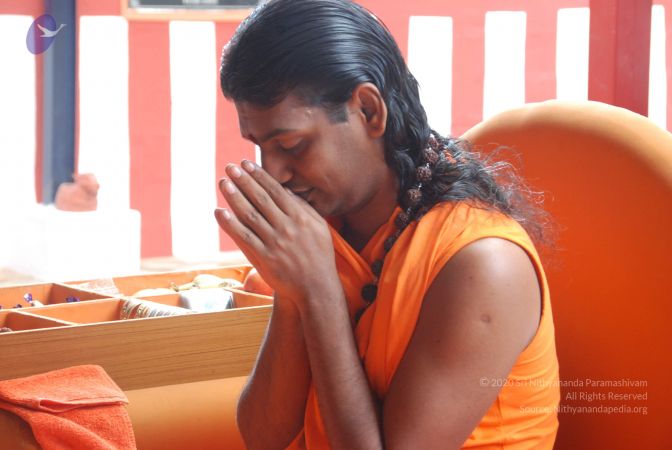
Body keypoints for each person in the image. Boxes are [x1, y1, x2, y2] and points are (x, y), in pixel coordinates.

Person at [215, 0, 560, 448]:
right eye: (260, 146)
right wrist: (292, 288)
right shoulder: (326, 223)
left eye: (292, 145)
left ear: (368, 111)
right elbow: (265, 438)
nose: (274, 172)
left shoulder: (482, 264)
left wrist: (318, 292)